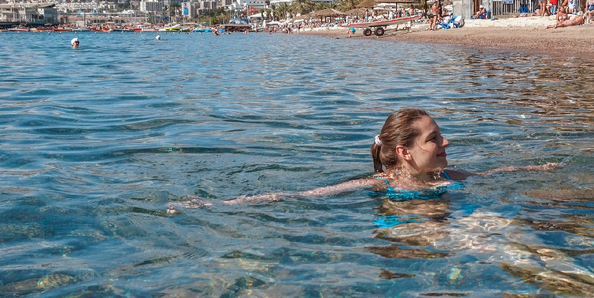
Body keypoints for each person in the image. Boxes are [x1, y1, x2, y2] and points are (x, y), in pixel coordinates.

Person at [167, 109, 558, 211]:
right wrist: (218, 205)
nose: (446, 142)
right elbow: (301, 196)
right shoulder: (380, 184)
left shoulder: (451, 175)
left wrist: (538, 170)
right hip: (406, 236)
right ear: (404, 152)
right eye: (434, 138)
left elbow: (496, 173)